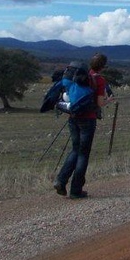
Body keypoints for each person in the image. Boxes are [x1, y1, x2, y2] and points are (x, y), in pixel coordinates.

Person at [54, 53, 109, 200]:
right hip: (88, 120)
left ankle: (61, 180)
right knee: (83, 154)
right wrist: (108, 100)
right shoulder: (99, 79)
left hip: (73, 117)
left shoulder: (80, 75)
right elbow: (100, 103)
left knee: (75, 149)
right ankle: (76, 190)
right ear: (103, 66)